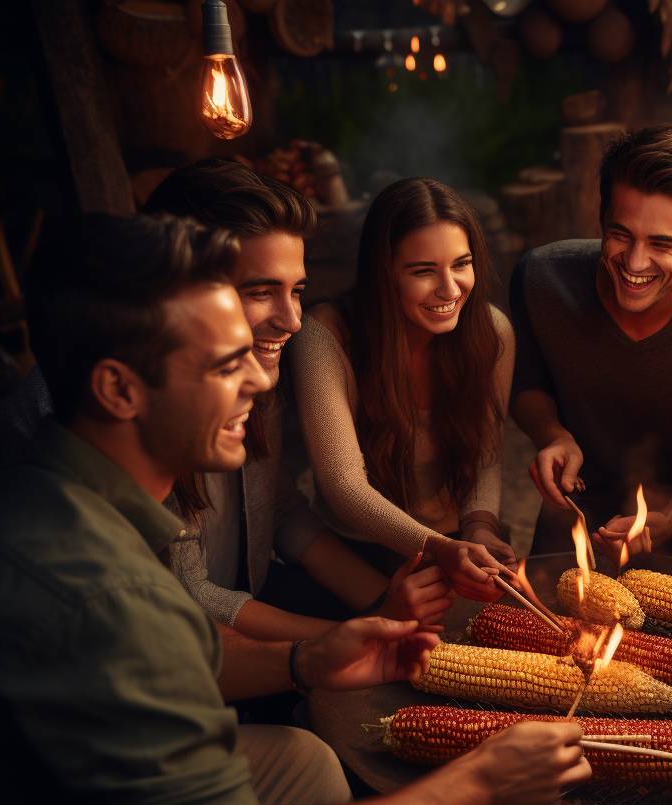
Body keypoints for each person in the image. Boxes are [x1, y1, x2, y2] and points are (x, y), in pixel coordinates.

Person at [0, 213, 591, 805]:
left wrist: (306, 659)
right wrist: (475, 783)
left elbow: (153, 660)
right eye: (222, 365)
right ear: (119, 390)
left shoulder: (58, 490)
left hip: (73, 804)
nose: (255, 379)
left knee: (304, 761)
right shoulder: (106, 586)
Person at [144, 159, 452, 641]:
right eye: (262, 291)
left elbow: (281, 509)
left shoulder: (257, 369)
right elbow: (191, 597)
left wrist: (380, 605)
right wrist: (351, 637)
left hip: (249, 608)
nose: (291, 320)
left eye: (297, 291)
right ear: (181, 288)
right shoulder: (136, 410)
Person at [510, 124, 672, 569]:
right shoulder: (540, 281)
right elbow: (526, 386)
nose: (635, 262)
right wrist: (553, 435)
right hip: (580, 506)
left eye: (662, 243)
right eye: (622, 234)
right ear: (601, 219)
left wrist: (663, 520)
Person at [292, 178, 514, 602]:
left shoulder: (492, 332)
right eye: (423, 271)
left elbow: (487, 455)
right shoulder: (325, 337)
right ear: (385, 273)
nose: (450, 289)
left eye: (461, 264)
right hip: (359, 549)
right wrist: (439, 549)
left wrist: (480, 527)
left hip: (460, 543)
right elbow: (344, 487)